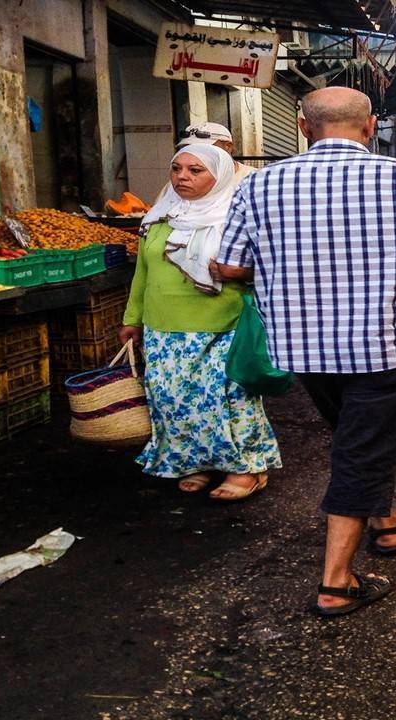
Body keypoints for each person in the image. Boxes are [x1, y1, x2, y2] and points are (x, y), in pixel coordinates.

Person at [211, 87, 396, 617]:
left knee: (356, 438)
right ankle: (336, 582)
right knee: (361, 448)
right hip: (386, 343)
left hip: (303, 345)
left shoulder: (261, 183)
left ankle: (383, 521)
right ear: (370, 125)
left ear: (303, 126)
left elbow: (234, 268)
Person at [119, 144, 282, 501]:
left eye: (196, 171)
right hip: (163, 327)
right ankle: (196, 462)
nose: (182, 177)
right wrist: (132, 319)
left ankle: (248, 468)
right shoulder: (160, 218)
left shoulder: (237, 218)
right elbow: (142, 273)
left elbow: (273, 269)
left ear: (220, 175)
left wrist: (234, 272)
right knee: (173, 399)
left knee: (228, 399)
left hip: (222, 324)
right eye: (177, 169)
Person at [153, 122, 256, 203]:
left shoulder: (254, 180)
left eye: (204, 149)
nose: (196, 154)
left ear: (228, 147)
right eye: (189, 148)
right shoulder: (177, 185)